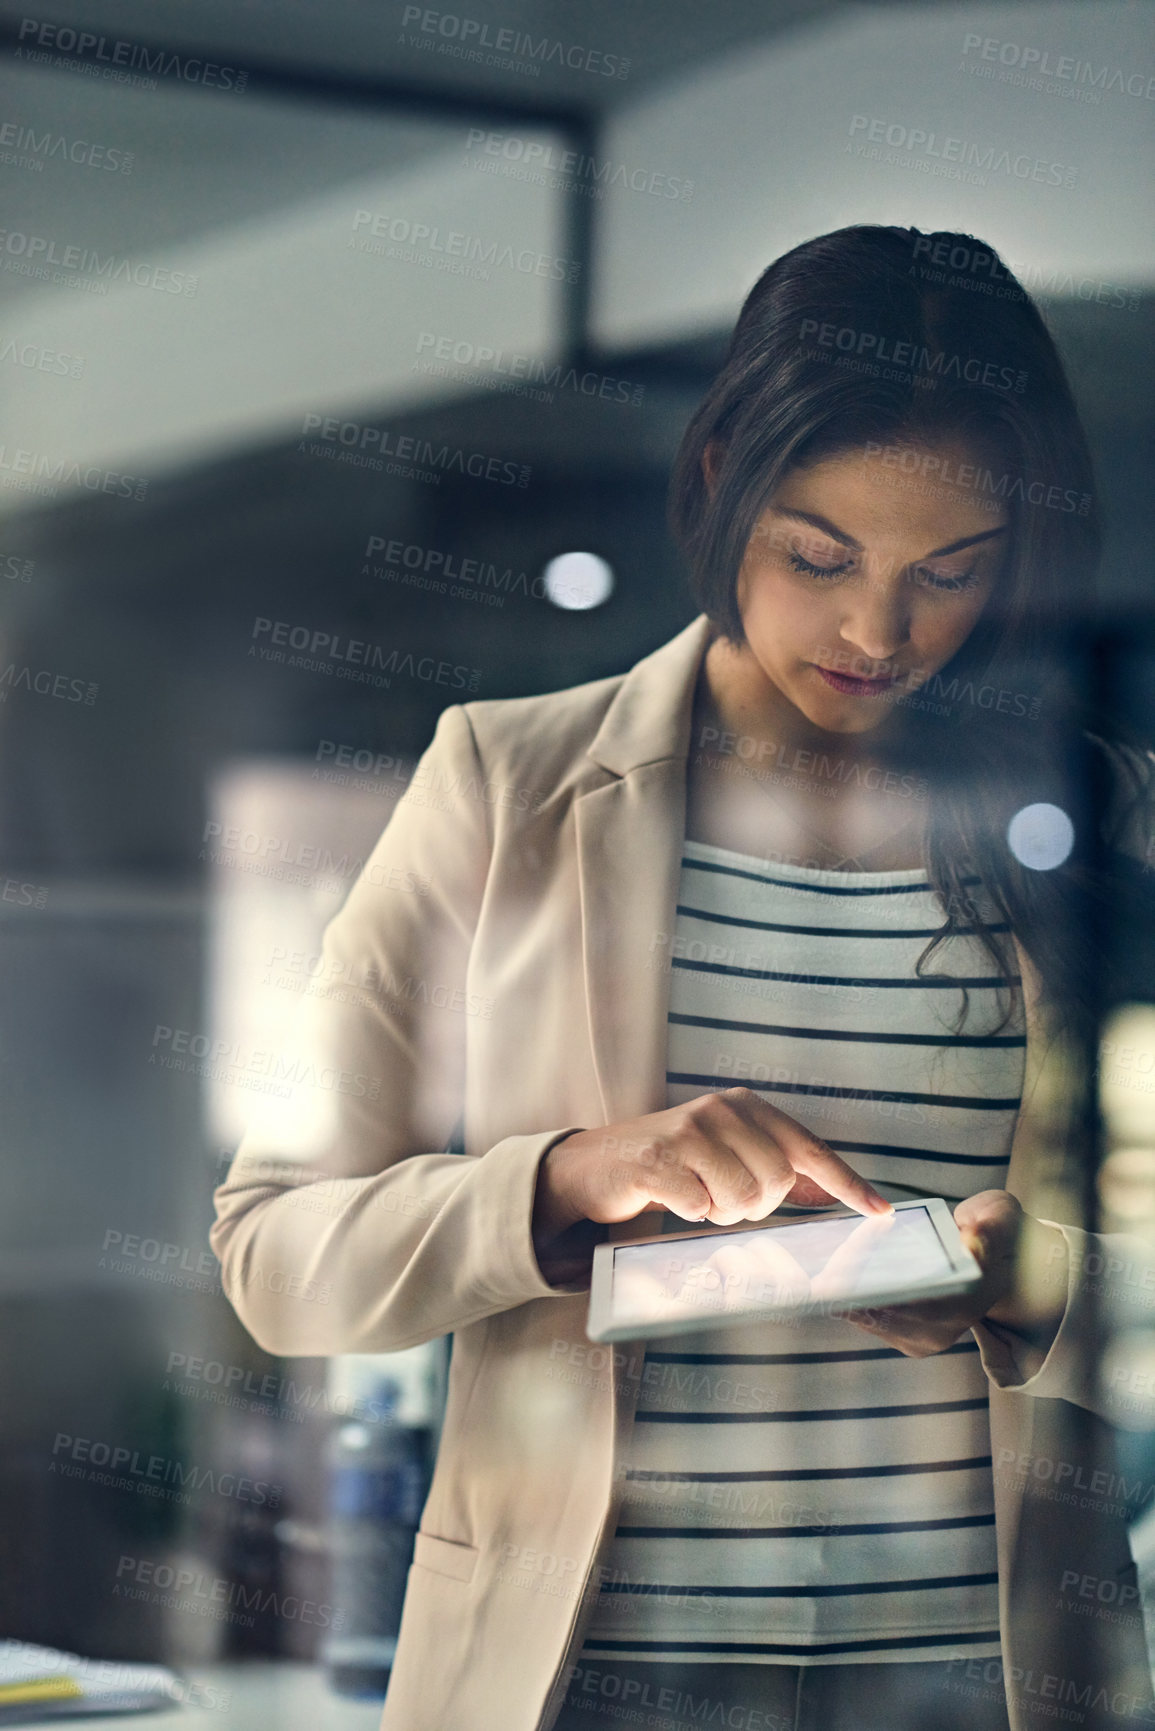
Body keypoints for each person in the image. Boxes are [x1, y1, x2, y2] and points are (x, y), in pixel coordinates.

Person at [211, 225, 1155, 1731]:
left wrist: (1037, 1283)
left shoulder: (1113, 822)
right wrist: (562, 1180)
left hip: (980, 1680)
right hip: (588, 1678)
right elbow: (274, 1258)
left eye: (951, 573)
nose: (877, 631)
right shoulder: (505, 785)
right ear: (718, 484)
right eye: (818, 555)